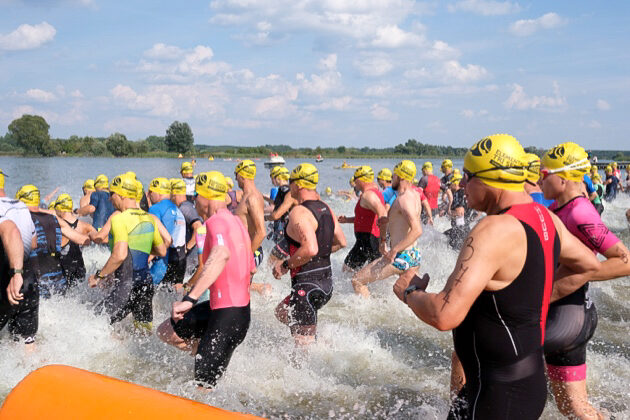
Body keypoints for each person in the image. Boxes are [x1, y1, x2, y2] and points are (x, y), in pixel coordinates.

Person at [392, 134, 600, 420]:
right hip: (521, 382)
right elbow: (589, 264)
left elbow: (444, 315)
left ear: (490, 179)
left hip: (497, 393)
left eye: (467, 176)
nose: (462, 184)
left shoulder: (493, 229)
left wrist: (410, 292)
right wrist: (537, 294)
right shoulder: (544, 216)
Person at [540, 142, 630, 419]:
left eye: (545, 174)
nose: (540, 179)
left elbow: (623, 260)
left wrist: (582, 273)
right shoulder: (560, 207)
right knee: (574, 408)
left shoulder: (580, 213)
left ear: (564, 179)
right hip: (568, 312)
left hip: (569, 315)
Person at [157, 171, 253, 389]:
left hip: (227, 318)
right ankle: (204, 352)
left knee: (202, 390)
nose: (194, 201)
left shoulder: (216, 221)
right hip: (225, 310)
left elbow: (221, 254)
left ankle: (208, 362)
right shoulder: (237, 223)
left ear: (206, 196)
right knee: (167, 330)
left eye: (196, 196)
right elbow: (251, 267)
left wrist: (190, 299)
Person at [272, 163, 346, 346]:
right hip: (326, 285)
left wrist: (285, 265)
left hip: (306, 286)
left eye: (291, 182)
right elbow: (341, 242)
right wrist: (315, 256)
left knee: (302, 353)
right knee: (282, 311)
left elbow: (310, 248)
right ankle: (315, 338)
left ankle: (311, 341)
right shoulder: (326, 208)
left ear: (299, 185)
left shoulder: (299, 212)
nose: (289, 186)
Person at [89, 173, 167, 332]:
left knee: (93, 322)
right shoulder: (149, 218)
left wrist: (99, 276)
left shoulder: (119, 219)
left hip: (127, 286)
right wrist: (139, 248)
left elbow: (119, 255)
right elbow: (162, 250)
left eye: (112, 194)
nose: (110, 199)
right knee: (143, 334)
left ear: (122, 195)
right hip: (145, 285)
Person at [352, 160, 423, 298]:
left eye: (394, 176)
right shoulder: (414, 195)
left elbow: (417, 230)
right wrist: (383, 240)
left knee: (357, 280)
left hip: (401, 256)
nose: (392, 179)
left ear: (401, 177)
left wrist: (394, 250)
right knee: (406, 295)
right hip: (414, 255)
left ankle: (368, 316)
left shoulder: (404, 199)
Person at [16, 185, 89, 298]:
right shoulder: (55, 219)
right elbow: (83, 240)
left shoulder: (21, 220)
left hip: (35, 279)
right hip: (59, 279)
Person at [0, 170, 37, 346]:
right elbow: (33, 242)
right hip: (28, 281)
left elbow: (12, 231)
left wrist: (15, 273)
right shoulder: (21, 206)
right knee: (26, 344)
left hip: (9, 282)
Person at [339, 166, 387, 272]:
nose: (354, 183)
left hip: (368, 241)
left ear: (361, 179)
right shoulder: (374, 193)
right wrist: (347, 220)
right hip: (368, 240)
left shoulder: (368, 195)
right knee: (373, 273)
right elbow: (366, 217)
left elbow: (383, 213)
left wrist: (383, 240)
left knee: (347, 271)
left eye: (355, 179)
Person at [233, 160, 269, 294]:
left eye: (236, 175)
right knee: (238, 290)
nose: (235, 179)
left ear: (242, 176)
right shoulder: (246, 196)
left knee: (239, 292)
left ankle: (263, 289)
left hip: (250, 253)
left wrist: (246, 257)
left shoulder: (252, 197)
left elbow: (261, 232)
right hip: (244, 251)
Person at [148, 178, 187, 286]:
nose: (149, 195)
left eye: (151, 192)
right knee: (175, 296)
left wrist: (149, 256)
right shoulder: (177, 209)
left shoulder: (155, 208)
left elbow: (153, 236)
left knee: (149, 290)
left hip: (165, 260)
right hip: (181, 259)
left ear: (158, 192)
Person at [53, 194, 96, 287]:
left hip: (63, 269)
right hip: (80, 267)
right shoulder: (86, 226)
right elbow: (99, 238)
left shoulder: (57, 226)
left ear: (59, 208)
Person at [267, 167, 296, 264]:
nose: (271, 180)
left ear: (277, 178)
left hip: (282, 228)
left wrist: (265, 217)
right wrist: (262, 197)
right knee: (279, 257)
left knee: (273, 259)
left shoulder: (284, 190)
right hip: (284, 227)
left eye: (272, 177)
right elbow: (278, 203)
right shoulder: (285, 189)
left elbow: (278, 212)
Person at [171, 178, 203, 267]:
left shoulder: (184, 208)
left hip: (192, 258)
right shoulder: (187, 205)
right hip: (194, 256)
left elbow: (199, 227)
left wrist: (187, 249)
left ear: (173, 194)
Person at [443, 172, 472, 250]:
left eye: (450, 184)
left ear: (455, 183)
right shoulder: (466, 192)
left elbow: (460, 212)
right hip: (465, 228)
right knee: (443, 237)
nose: (449, 187)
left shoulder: (458, 193)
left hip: (459, 231)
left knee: (443, 240)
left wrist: (448, 212)